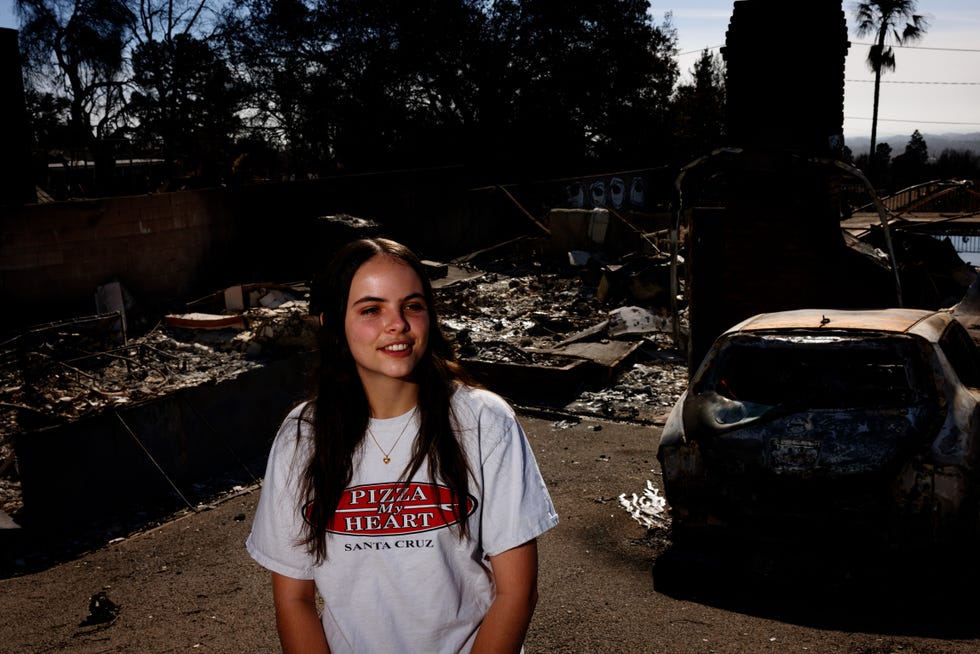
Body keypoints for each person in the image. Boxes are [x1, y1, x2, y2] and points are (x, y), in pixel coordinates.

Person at [246, 237, 559, 653]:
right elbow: (294, 598)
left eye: (411, 306)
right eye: (371, 310)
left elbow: (516, 593)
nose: (397, 324)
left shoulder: (484, 420)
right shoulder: (303, 435)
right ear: (332, 323)